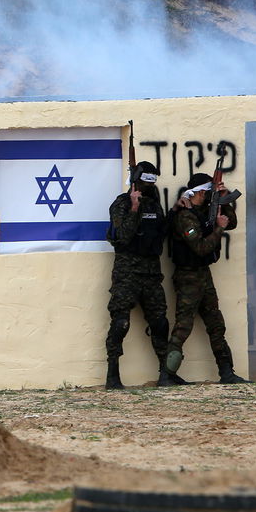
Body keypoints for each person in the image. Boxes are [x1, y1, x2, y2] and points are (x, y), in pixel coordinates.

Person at [161, 171, 249, 385]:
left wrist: (224, 198)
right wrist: (218, 227)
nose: (210, 195)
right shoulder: (185, 216)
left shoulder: (204, 211)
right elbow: (200, 248)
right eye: (208, 192)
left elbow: (232, 222)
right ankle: (167, 375)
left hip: (203, 275)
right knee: (183, 326)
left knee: (216, 324)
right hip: (187, 276)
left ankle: (227, 373)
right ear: (199, 192)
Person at [102, 161, 173, 390]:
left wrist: (178, 211)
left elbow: (161, 233)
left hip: (151, 274)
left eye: (150, 183)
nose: (146, 187)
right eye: (143, 182)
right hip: (127, 273)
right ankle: (112, 375)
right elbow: (122, 235)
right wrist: (133, 207)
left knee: (160, 323)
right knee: (120, 323)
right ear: (135, 181)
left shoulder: (154, 204)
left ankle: (165, 373)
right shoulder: (121, 204)